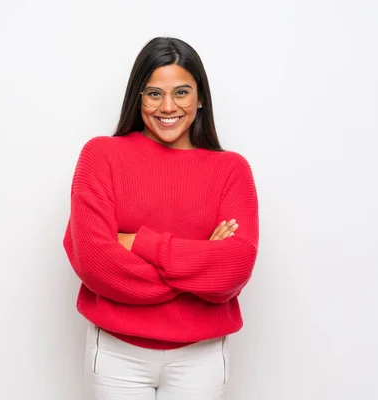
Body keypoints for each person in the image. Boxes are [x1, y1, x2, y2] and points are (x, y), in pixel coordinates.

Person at [63, 36, 259, 400]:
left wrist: (138, 242)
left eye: (181, 92)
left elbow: (233, 268)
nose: (167, 106)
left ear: (201, 98)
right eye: (154, 93)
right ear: (137, 98)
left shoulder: (231, 169)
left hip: (201, 357)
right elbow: (94, 263)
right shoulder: (101, 156)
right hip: (117, 355)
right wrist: (200, 264)